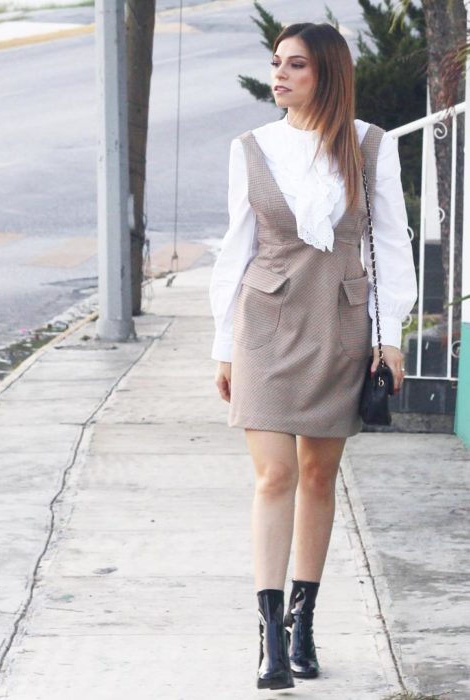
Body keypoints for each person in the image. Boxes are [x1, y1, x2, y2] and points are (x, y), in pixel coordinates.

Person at [208, 22, 418, 690]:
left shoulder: (370, 146)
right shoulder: (251, 148)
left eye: (295, 65)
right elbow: (234, 250)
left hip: (340, 324)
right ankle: (268, 635)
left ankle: (304, 623)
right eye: (276, 64)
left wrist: (391, 338)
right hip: (265, 328)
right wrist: (223, 346)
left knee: (319, 476)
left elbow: (390, 243)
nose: (280, 75)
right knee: (274, 477)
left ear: (327, 73)